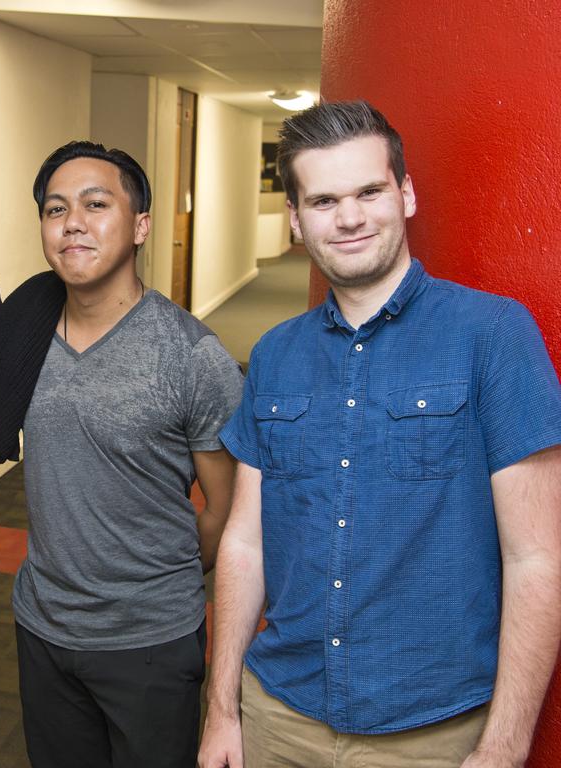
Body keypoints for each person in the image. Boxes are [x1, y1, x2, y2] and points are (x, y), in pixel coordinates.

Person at [198, 100, 561, 768]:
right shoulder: (274, 354)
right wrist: (222, 711)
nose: (351, 216)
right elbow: (244, 544)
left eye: (369, 190)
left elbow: (536, 558)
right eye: (325, 199)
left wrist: (504, 747)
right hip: (279, 718)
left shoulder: (493, 336)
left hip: (432, 734)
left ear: (406, 193)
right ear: (298, 222)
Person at [0, 141, 243, 768]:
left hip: (150, 641)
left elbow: (227, 514)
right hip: (42, 626)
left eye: (97, 204)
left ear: (140, 226)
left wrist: (152, 581)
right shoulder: (23, 333)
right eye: (55, 208)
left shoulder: (192, 357)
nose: (73, 222)